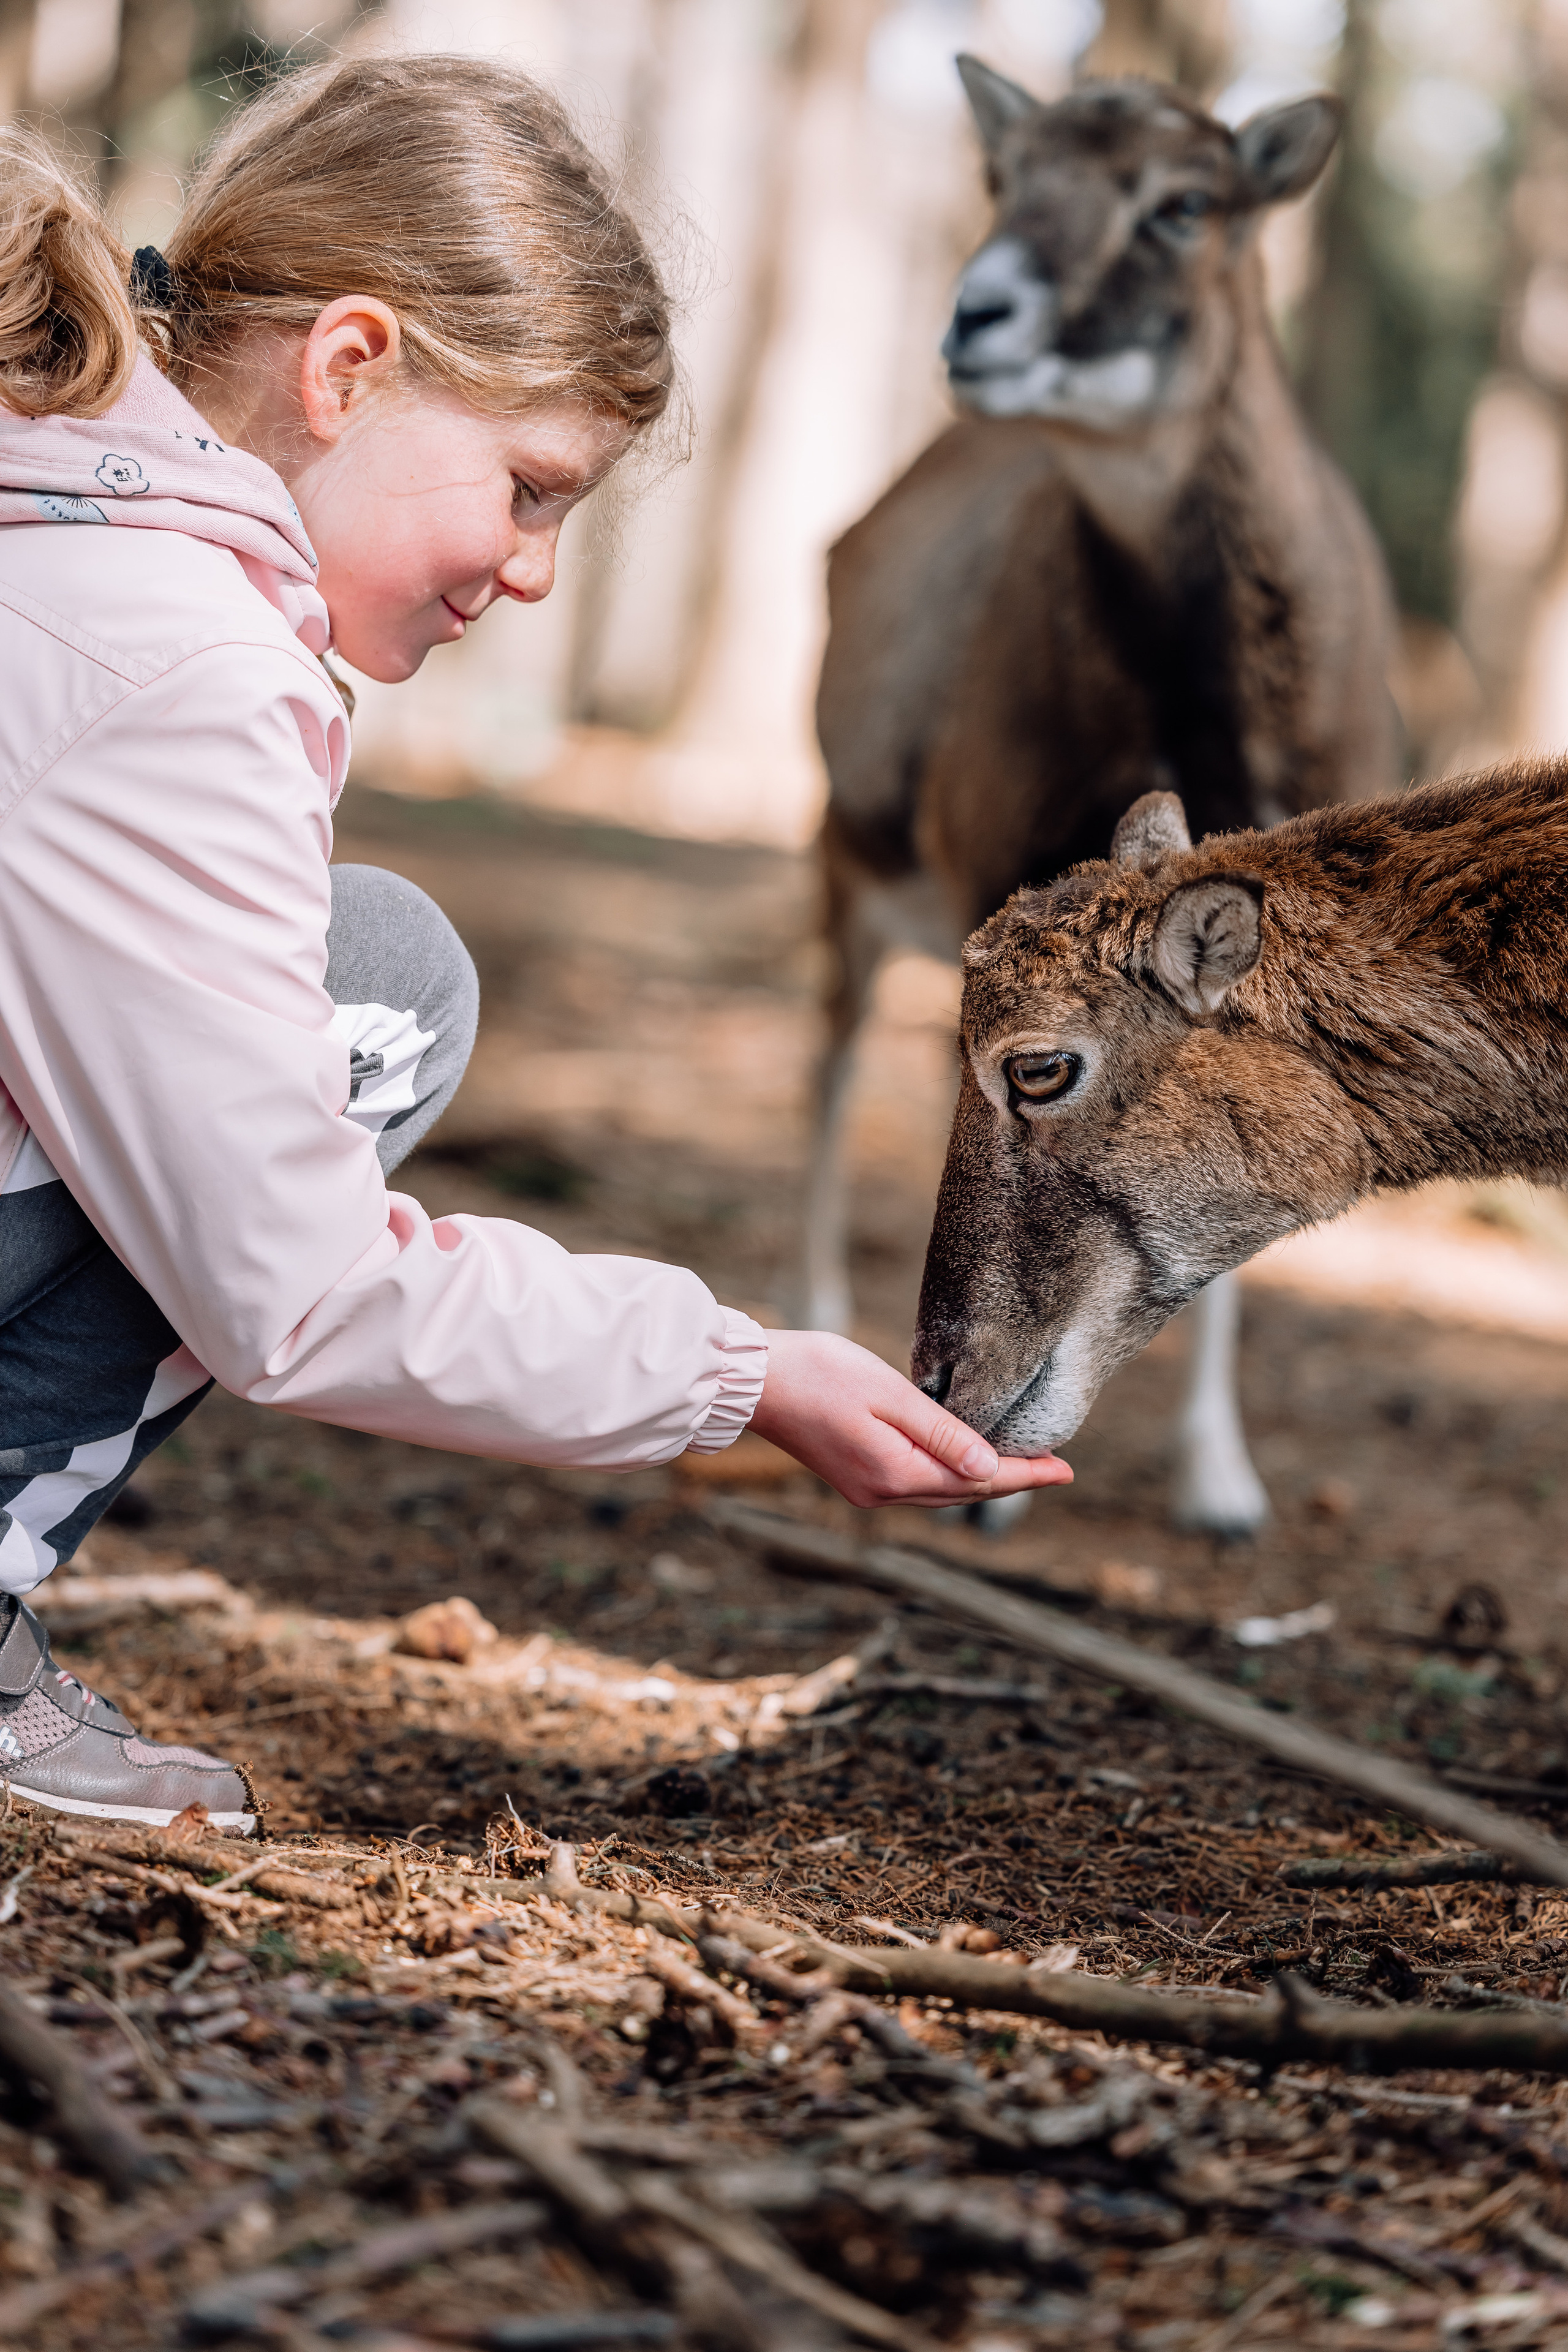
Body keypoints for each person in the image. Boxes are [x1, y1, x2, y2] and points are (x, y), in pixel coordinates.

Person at [0, 56, 1066, 1834]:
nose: (535, 575)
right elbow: (301, 1288)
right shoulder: (175, 658)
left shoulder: (58, 509)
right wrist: (749, 1374)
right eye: (532, 487)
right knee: (377, 1006)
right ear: (348, 367)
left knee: (367, 961)